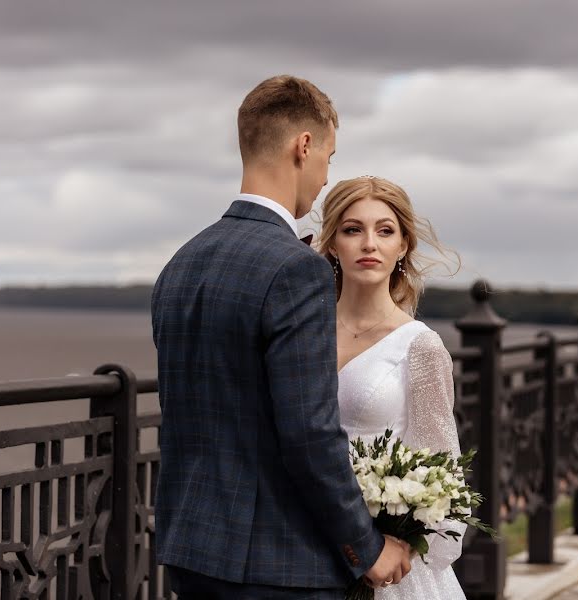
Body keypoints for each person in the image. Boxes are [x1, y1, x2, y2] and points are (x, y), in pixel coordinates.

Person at [151, 76, 411, 599]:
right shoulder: (297, 270)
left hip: (190, 554)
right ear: (304, 145)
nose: (323, 178)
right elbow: (309, 432)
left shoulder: (181, 264)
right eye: (329, 159)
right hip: (279, 567)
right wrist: (366, 545)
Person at [316, 176, 467, 600]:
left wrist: (397, 541)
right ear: (332, 243)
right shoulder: (302, 335)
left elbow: (443, 470)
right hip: (302, 542)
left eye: (385, 231)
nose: (369, 243)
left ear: (403, 246)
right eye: (352, 229)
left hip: (387, 561)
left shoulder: (420, 346)